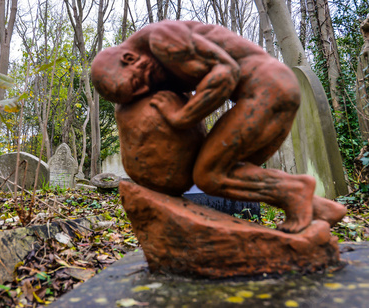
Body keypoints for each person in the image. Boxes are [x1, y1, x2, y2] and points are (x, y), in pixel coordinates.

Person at [91, 20, 346, 233]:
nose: (146, 90)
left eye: (138, 82)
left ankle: (297, 193)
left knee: (210, 174)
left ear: (129, 57)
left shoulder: (162, 40)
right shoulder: (153, 55)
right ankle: (317, 206)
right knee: (228, 172)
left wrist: (181, 117)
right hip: (269, 90)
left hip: (268, 89)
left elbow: (225, 73)